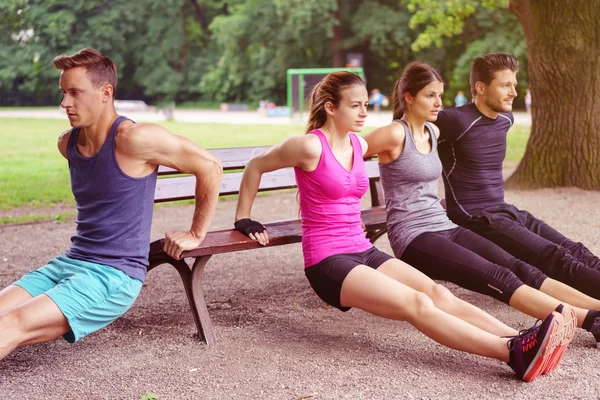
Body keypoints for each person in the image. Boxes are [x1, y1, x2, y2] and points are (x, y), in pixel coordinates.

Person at [233, 70, 568, 382]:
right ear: (331, 108)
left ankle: (519, 338)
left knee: (437, 293)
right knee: (416, 304)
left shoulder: (357, 144)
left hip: (363, 250)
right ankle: (511, 354)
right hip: (327, 260)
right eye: (355, 106)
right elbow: (256, 165)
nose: (364, 112)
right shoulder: (307, 146)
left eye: (366, 104)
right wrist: (244, 218)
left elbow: (404, 150)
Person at [363, 62, 600, 360]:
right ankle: (590, 321)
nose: (439, 102)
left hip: (444, 225)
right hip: (413, 236)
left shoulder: (432, 132)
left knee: (519, 267)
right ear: (409, 97)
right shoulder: (393, 134)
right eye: (430, 95)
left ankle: (594, 310)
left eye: (440, 95)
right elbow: (344, 152)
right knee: (498, 275)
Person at [0, 48, 223, 360]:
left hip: (113, 276)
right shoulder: (68, 144)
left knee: (9, 325)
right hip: (70, 263)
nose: (65, 103)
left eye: (75, 93)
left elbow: (210, 166)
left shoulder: (136, 139)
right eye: (64, 92)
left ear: (105, 93)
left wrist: (196, 233)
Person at [434, 53, 600, 341]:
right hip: (476, 218)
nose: (514, 92)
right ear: (481, 88)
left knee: (574, 248)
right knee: (554, 257)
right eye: (505, 85)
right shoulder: (454, 120)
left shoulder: (505, 119)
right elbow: (407, 131)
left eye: (515, 84)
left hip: (504, 209)